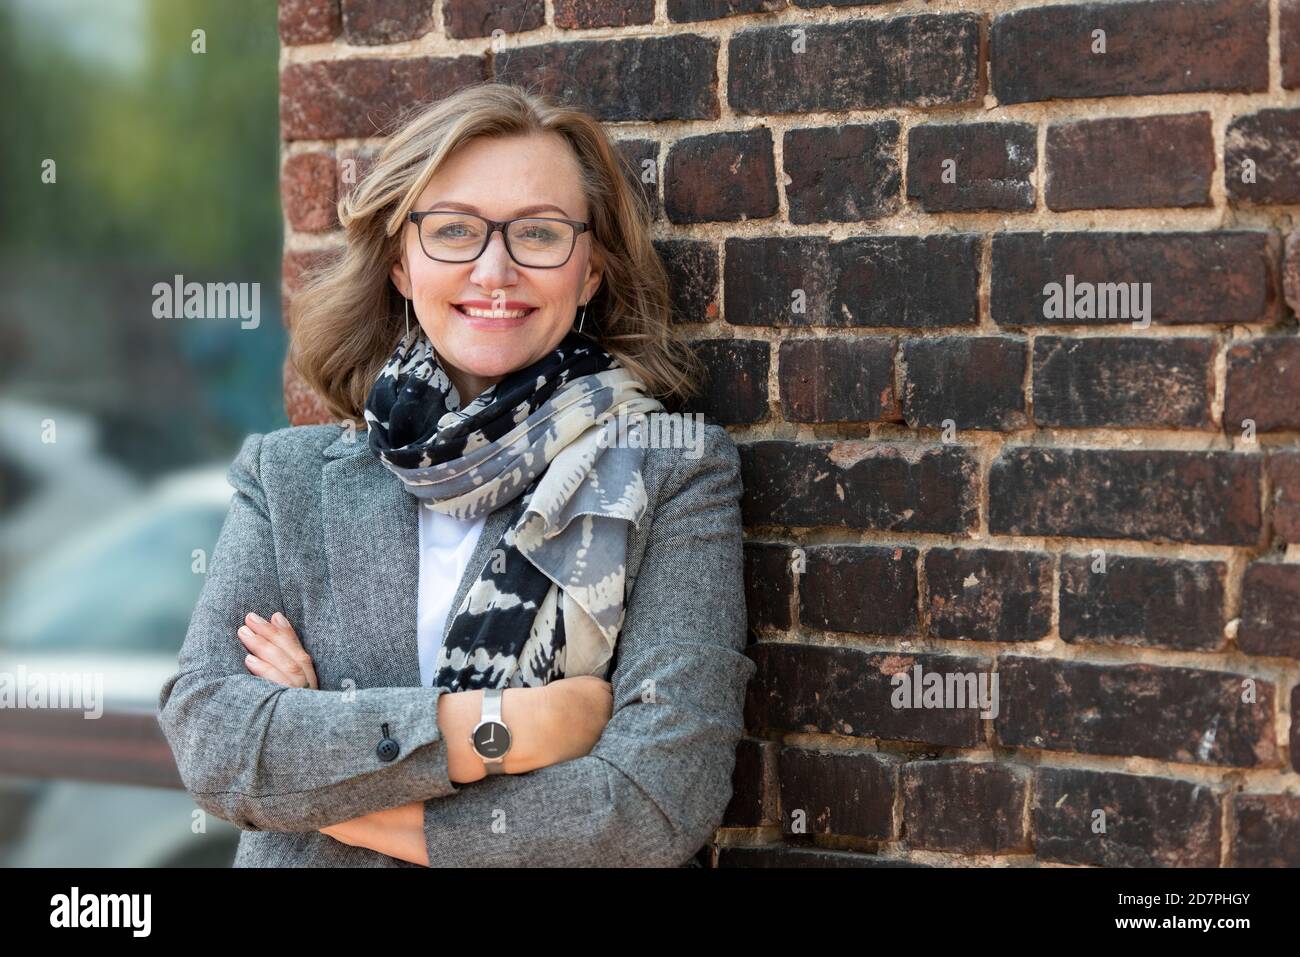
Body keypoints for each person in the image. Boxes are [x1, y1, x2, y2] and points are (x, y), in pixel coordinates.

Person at [156, 81, 755, 868]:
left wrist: (327, 781)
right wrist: (505, 727)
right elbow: (210, 738)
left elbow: (652, 801)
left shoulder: (672, 470)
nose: (494, 270)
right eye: (453, 231)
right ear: (402, 263)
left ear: (592, 271)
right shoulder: (287, 478)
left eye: (538, 234)